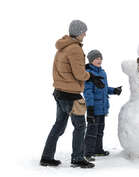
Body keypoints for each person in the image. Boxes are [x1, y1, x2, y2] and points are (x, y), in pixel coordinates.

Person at [40, 20, 104, 168]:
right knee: (80, 126)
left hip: (59, 92)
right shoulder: (74, 48)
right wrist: (92, 77)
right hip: (71, 94)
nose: (85, 34)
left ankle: (47, 157)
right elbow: (79, 74)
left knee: (59, 126)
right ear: (78, 32)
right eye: (83, 32)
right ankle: (77, 158)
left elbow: (64, 70)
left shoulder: (63, 47)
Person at [84, 50, 122, 161]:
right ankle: (88, 152)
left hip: (103, 108)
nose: (99, 60)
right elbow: (88, 92)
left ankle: (97, 150)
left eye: (100, 58)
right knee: (92, 131)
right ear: (91, 60)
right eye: (96, 58)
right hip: (94, 108)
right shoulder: (88, 74)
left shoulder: (102, 73)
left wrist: (114, 90)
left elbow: (104, 89)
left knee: (100, 130)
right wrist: (90, 108)